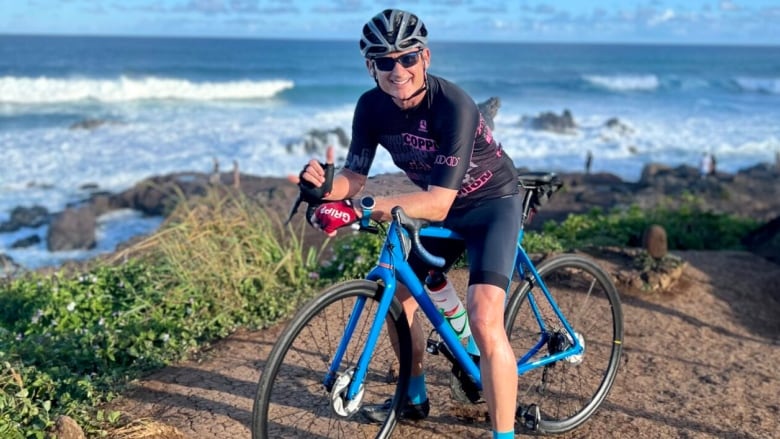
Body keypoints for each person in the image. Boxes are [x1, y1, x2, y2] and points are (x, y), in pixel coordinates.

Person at [289, 9, 522, 438]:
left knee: (485, 318)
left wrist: (365, 208)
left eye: (408, 58)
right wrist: (324, 189)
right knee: (398, 297)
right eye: (385, 61)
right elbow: (354, 178)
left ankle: (503, 434)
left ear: (426, 58)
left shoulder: (453, 104)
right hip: (443, 207)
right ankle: (413, 398)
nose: (398, 70)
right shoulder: (370, 107)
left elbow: (435, 203)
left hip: (493, 204)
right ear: (371, 67)